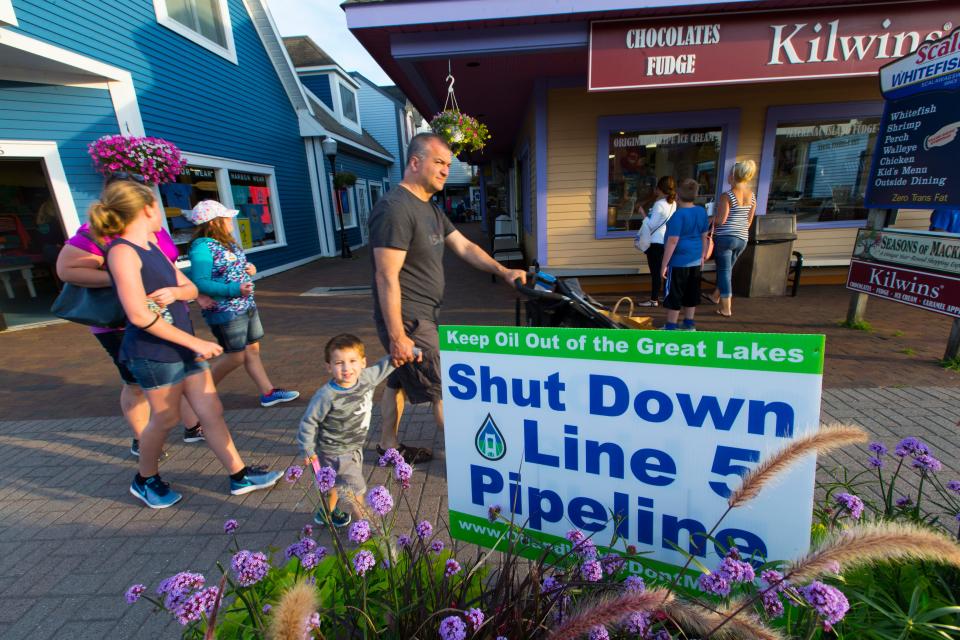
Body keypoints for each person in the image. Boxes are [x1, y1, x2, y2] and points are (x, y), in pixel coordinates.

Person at [88, 179, 281, 508]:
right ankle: (145, 478)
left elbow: (190, 289)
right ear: (147, 208)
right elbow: (137, 315)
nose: (161, 213)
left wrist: (177, 293)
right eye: (157, 207)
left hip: (183, 347)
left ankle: (239, 475)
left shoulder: (154, 247)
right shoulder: (122, 252)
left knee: (211, 411)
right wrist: (193, 341)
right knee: (163, 419)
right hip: (153, 353)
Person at [370, 132, 527, 463]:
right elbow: (385, 274)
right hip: (410, 320)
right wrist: (398, 335)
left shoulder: (430, 209)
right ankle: (471, 462)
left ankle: (388, 444)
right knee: (444, 390)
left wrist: (504, 271)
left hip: (422, 315)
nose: (445, 171)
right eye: (439, 163)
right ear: (415, 163)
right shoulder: (395, 209)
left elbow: (465, 246)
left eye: (448, 165)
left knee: (397, 382)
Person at [56, 184, 205, 459]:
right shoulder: (99, 235)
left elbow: (176, 275)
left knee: (182, 376)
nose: (158, 210)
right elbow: (67, 270)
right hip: (120, 323)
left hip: (168, 315)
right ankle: (142, 441)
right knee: (137, 384)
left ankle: (193, 426)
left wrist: (179, 291)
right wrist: (127, 282)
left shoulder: (154, 233)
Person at [186, 200, 299, 407]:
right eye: (227, 218)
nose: (231, 221)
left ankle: (267, 392)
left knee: (252, 350)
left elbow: (231, 268)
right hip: (226, 311)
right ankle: (199, 394)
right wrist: (234, 289)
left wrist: (250, 269)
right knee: (235, 356)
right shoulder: (201, 248)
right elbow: (201, 282)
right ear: (214, 223)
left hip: (245, 305)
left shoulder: (225, 243)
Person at [297, 334, 405, 527]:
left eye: (352, 361)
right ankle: (365, 526)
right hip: (334, 453)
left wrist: (407, 352)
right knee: (357, 490)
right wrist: (307, 449)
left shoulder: (366, 378)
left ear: (363, 363)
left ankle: (325, 514)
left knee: (333, 487)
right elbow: (308, 422)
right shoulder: (326, 395)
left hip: (354, 447)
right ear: (329, 367)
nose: (347, 368)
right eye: (339, 363)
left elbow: (386, 365)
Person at [661, 178, 711, 331]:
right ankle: (689, 324)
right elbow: (705, 235)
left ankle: (671, 326)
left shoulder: (678, 216)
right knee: (691, 292)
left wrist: (664, 264)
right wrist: (703, 255)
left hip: (678, 261)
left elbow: (672, 241)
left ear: (677, 196)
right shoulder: (701, 211)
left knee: (674, 293)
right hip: (695, 259)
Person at [709, 160, 757, 317]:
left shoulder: (727, 195)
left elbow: (721, 220)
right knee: (728, 269)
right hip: (742, 238)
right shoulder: (752, 196)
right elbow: (749, 221)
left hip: (725, 238)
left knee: (723, 272)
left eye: (730, 173)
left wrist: (709, 219)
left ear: (733, 176)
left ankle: (726, 308)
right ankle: (715, 296)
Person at [637, 176, 677, 307]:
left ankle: (653, 300)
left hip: (655, 242)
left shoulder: (659, 204)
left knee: (655, 273)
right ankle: (664, 296)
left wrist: (643, 214)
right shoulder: (673, 203)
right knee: (663, 270)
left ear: (660, 189)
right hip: (666, 240)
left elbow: (651, 225)